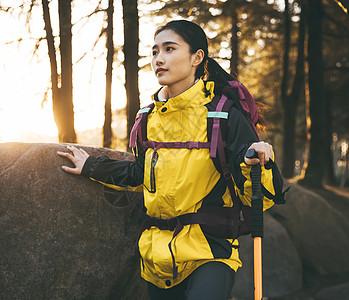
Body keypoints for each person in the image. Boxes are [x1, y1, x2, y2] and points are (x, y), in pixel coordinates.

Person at [57, 20, 284, 300]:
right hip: (156, 255)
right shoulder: (147, 118)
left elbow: (263, 197)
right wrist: (91, 166)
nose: (158, 59)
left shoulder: (224, 116)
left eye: (169, 49)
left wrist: (259, 164)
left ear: (197, 58)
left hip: (210, 251)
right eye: (154, 52)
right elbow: (140, 173)